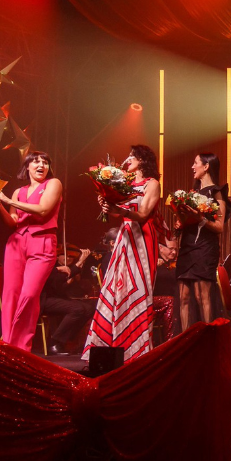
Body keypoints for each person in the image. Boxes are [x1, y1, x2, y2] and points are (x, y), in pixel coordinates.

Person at [83, 145, 163, 363]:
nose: (128, 159)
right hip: (124, 235)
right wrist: (106, 204)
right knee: (116, 287)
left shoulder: (152, 184)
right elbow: (117, 212)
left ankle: (138, 350)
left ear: (142, 160)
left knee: (138, 288)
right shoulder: (125, 184)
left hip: (142, 237)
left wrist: (119, 210)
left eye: (132, 156)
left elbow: (143, 214)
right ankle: (112, 346)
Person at [0, 151, 62, 351]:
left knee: (29, 295)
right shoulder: (18, 192)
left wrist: (7, 201)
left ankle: (20, 347)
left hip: (42, 242)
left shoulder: (53, 184)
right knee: (10, 295)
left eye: (45, 162)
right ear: (27, 166)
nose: (41, 165)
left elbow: (43, 209)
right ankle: (7, 344)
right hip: (16, 243)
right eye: (36, 162)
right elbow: (13, 222)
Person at [176, 153, 229, 330]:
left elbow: (219, 227)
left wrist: (200, 218)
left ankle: (208, 338)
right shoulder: (192, 194)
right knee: (183, 297)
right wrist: (181, 219)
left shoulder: (217, 191)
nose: (192, 167)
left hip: (205, 248)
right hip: (187, 246)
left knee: (202, 297)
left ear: (206, 167)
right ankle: (185, 340)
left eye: (195, 163)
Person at [40, 248, 97, 355]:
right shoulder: (43, 265)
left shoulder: (55, 267)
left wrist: (79, 263)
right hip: (42, 300)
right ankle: (54, 342)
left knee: (89, 308)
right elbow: (55, 277)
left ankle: (66, 340)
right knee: (77, 309)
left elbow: (60, 281)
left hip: (55, 298)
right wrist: (79, 262)